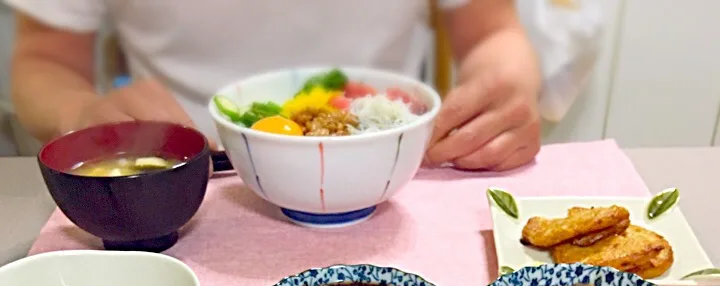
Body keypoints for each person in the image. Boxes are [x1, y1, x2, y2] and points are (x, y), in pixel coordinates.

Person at [9, 0, 541, 171]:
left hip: (391, 163)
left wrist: (506, 89)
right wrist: (78, 110)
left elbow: (490, 28)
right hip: (183, 172)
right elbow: (45, 56)